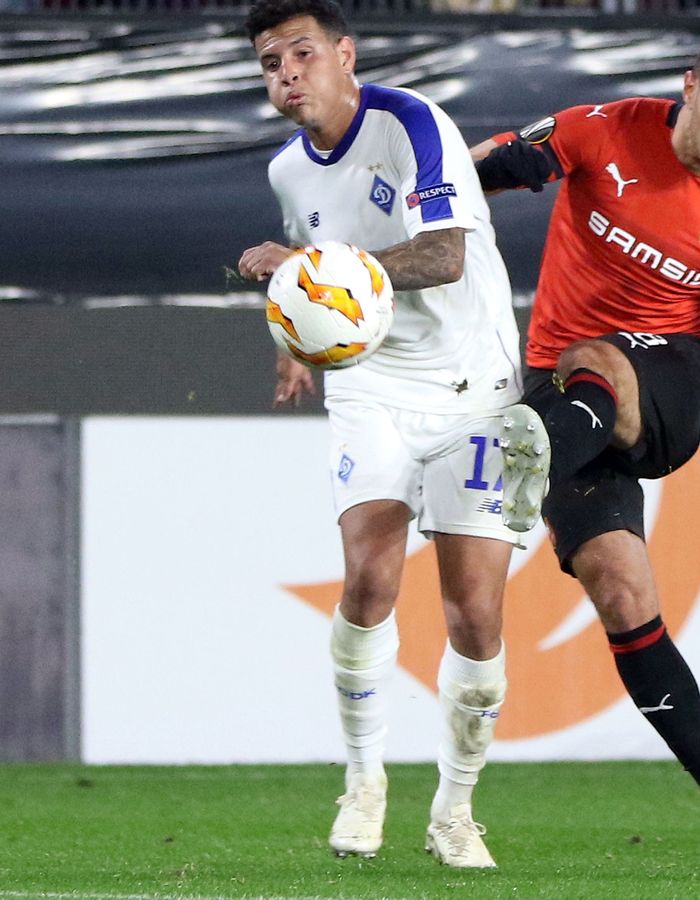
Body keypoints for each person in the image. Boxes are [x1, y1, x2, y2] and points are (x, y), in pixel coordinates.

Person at [470, 20, 700, 868]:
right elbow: (477, 173)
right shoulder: (600, 129)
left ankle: (523, 458)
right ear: (689, 86)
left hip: (667, 383)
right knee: (622, 590)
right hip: (560, 395)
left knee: (599, 358)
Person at [236, 0, 524, 869]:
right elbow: (316, 288)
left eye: (301, 52)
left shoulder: (412, 126)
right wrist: (294, 338)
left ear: (345, 53)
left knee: (475, 614)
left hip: (477, 386)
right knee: (367, 579)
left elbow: (442, 257)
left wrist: (306, 272)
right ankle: (364, 783)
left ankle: (455, 809)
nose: (286, 73)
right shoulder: (290, 170)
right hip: (372, 386)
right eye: (268, 62)